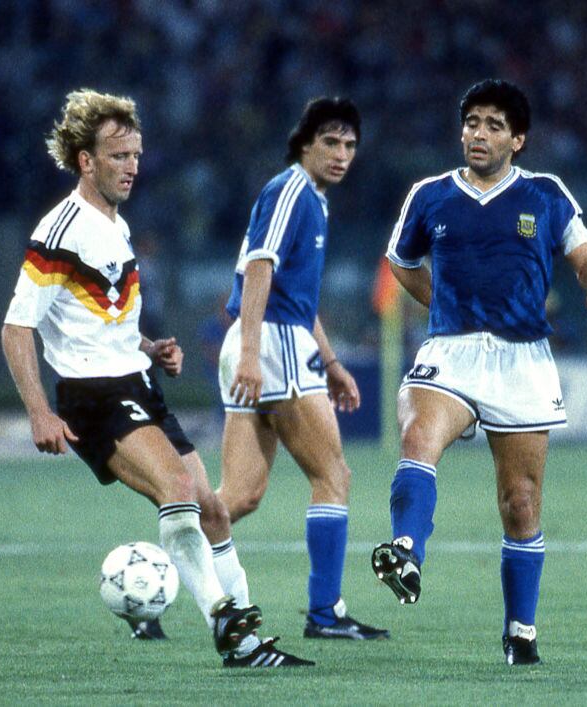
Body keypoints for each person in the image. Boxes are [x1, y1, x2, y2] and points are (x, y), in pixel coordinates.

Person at [0, 88, 311, 668]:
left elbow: (93, 317)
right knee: (177, 489)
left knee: (211, 508)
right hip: (94, 397)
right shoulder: (61, 228)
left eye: (136, 155)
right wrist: (40, 412)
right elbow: (17, 328)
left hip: (137, 386)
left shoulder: (114, 224)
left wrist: (148, 346)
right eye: (118, 156)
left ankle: (250, 645)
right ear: (85, 161)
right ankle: (224, 620)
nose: (132, 167)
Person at [371, 79, 587, 666]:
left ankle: (520, 631)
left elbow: (585, 257)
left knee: (521, 502)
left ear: (518, 138)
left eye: (492, 125)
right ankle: (406, 550)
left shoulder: (545, 194)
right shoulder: (430, 196)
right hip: (451, 351)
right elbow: (401, 262)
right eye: (472, 123)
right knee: (417, 437)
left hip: (522, 360)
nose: (478, 134)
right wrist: (441, 306)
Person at [217, 97, 388, 641]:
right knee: (333, 475)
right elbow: (259, 268)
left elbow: (295, 293)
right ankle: (325, 614)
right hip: (271, 345)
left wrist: (332, 361)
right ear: (305, 143)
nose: (342, 154)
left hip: (269, 341)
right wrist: (250, 353)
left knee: (239, 496)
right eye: (331, 142)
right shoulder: (291, 190)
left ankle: (153, 574)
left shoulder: (310, 198)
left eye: (350, 145)